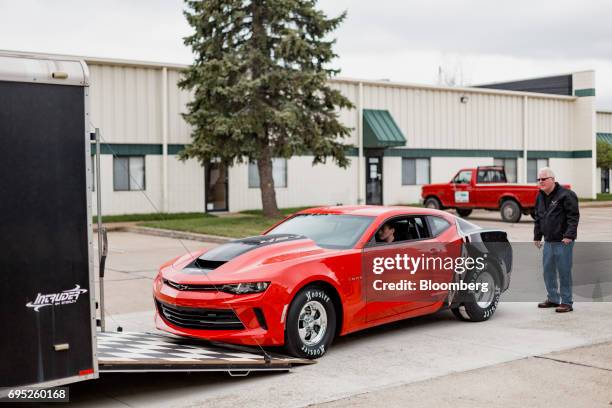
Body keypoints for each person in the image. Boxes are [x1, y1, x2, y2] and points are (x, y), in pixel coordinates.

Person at [533, 167, 580, 313]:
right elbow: (538, 217)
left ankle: (566, 302)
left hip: (563, 241)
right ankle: (553, 299)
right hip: (549, 241)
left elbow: (573, 217)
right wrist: (537, 236)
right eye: (539, 179)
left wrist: (569, 235)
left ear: (552, 180)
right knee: (548, 271)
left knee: (564, 271)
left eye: (543, 179)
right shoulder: (540, 196)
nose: (540, 182)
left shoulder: (566, 195)